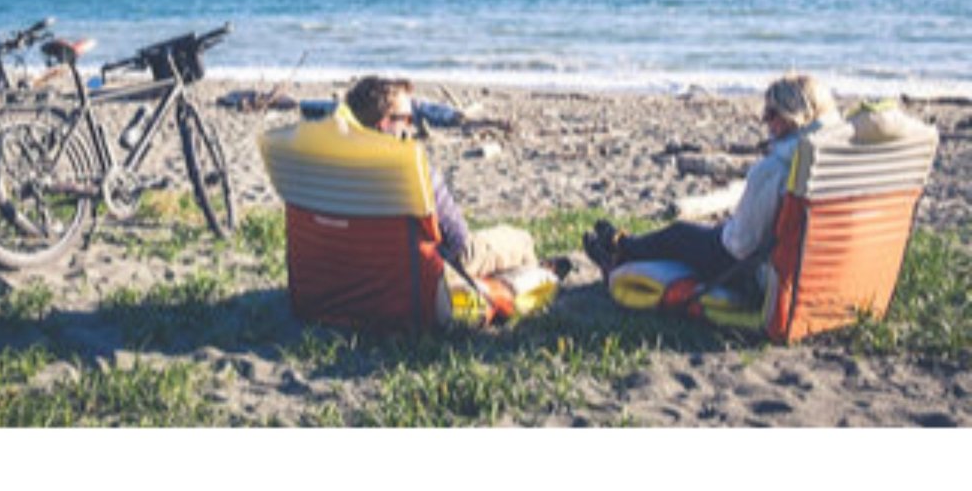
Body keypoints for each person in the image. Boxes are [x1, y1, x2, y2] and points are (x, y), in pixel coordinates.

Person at [582, 72, 841, 294]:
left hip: (755, 273)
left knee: (680, 235)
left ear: (793, 116)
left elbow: (740, 246)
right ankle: (623, 245)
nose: (765, 121)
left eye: (771, 113)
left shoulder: (775, 169)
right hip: (818, 270)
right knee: (697, 233)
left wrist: (725, 231)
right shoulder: (840, 159)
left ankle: (619, 252)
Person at [344, 75, 563, 279]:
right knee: (520, 240)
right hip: (434, 267)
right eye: (407, 119)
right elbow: (458, 245)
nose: (412, 126)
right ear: (386, 124)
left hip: (373, 266)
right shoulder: (413, 171)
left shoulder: (338, 168)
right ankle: (535, 279)